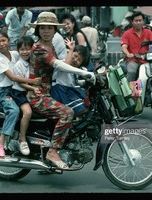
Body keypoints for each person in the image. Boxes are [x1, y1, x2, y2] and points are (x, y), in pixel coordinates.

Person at [27, 11, 94, 169]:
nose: (46, 31)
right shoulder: (39, 48)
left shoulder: (50, 47)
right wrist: (83, 72)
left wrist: (84, 73)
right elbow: (58, 65)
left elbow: (64, 64)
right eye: (42, 28)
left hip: (47, 92)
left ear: (54, 30)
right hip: (37, 95)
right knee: (67, 113)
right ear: (38, 30)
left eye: (50, 28)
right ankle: (52, 152)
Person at [0, 29, 41, 159]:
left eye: (3, 40)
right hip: (5, 92)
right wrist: (32, 82)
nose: (2, 44)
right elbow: (13, 77)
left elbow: (28, 54)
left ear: (8, 40)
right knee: (13, 111)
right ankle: (0, 141)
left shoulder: (14, 53)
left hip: (18, 89)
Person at [11, 35, 41, 155]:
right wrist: (33, 87)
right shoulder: (19, 64)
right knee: (27, 112)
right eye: (22, 49)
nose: (25, 52)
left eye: (28, 49)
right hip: (18, 92)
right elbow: (21, 83)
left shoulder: (31, 62)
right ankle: (22, 138)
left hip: (28, 91)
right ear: (18, 50)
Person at [121, 11, 152, 82]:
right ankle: (131, 91)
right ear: (132, 22)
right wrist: (128, 54)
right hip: (133, 60)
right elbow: (124, 46)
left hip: (146, 60)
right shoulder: (127, 34)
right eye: (136, 21)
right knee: (132, 72)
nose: (138, 22)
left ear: (143, 21)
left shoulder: (148, 32)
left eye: (140, 20)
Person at [51, 38, 90, 116]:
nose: (75, 60)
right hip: (60, 91)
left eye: (79, 60)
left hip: (69, 92)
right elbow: (66, 67)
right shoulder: (61, 63)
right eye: (75, 56)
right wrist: (71, 49)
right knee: (81, 109)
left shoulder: (77, 70)